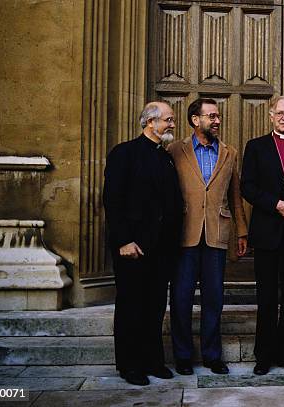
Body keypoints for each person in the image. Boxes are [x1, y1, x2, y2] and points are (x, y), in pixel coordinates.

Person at [103, 101, 183, 386]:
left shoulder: (165, 157)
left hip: (161, 250)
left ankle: (153, 360)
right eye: (169, 120)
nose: (173, 124)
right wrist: (124, 240)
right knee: (131, 307)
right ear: (151, 122)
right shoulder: (124, 153)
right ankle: (129, 365)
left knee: (154, 307)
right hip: (133, 249)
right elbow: (113, 200)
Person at [167, 98, 248, 375]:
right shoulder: (175, 150)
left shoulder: (229, 153)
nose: (217, 121)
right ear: (195, 120)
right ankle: (183, 356)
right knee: (181, 298)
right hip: (183, 235)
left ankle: (213, 356)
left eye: (218, 116)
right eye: (211, 116)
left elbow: (235, 195)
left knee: (214, 299)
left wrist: (242, 230)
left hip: (217, 234)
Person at [240, 96, 284, 375]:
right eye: (279, 113)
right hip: (268, 232)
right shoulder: (256, 147)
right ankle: (264, 356)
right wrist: (276, 204)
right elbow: (247, 186)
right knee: (267, 297)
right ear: (270, 116)